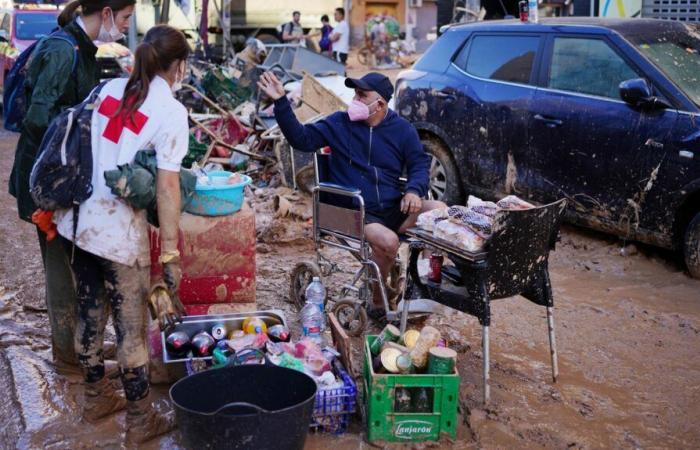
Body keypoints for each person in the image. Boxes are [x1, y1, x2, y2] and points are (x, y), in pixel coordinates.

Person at [52, 25, 189, 443]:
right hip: (116, 234)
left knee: (91, 313)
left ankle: (96, 398)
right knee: (131, 330)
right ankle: (141, 421)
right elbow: (168, 187)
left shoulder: (108, 88)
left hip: (75, 222)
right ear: (180, 66)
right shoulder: (171, 113)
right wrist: (170, 255)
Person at [8, 0, 135, 369]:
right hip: (49, 182)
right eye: (125, 17)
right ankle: (67, 356)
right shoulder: (64, 50)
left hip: (62, 179)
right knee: (61, 267)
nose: (126, 26)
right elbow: (38, 118)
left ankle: (82, 345)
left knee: (75, 260)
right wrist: (73, 146)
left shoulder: (81, 47)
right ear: (107, 12)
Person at [258, 71, 446, 315]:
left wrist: (413, 190)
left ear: (379, 104)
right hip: (355, 211)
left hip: (393, 207)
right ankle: (378, 302)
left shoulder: (403, 130)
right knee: (388, 242)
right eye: (355, 93)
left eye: (361, 95)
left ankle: (423, 283)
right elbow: (301, 139)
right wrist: (281, 102)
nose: (355, 100)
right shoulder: (339, 123)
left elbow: (419, 165)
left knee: (440, 213)